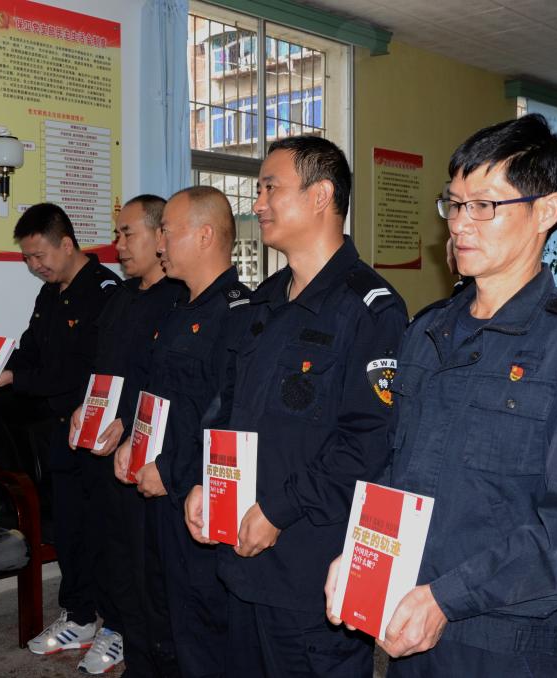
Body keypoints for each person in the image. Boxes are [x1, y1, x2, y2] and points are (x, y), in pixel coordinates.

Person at [324, 113, 557, 677]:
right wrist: (361, 556)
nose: (459, 224)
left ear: (545, 211)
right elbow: (397, 468)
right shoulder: (427, 332)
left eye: (484, 206)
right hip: (411, 619)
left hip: (510, 641)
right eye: (454, 204)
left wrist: (449, 598)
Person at [183, 135, 407, 677]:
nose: (257, 203)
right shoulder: (264, 301)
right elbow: (229, 407)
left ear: (320, 195)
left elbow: (368, 443)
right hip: (243, 558)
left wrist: (279, 511)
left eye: (270, 188)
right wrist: (207, 482)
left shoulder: (371, 309)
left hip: (310, 568)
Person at [114, 185, 252, 678]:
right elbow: (159, 395)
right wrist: (132, 441)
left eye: (167, 233)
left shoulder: (240, 315)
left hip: (194, 493)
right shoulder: (179, 310)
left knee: (200, 620)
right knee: (157, 604)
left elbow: (226, 418)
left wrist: (172, 470)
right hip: (155, 486)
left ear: (205, 235)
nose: (160, 245)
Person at [66, 195, 186, 676]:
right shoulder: (121, 296)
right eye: (117, 234)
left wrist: (132, 419)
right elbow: (103, 368)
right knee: (111, 548)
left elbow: (166, 382)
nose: (117, 245)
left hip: (149, 451)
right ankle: (119, 630)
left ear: (160, 236)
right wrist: (85, 406)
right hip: (105, 447)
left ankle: (146, 645)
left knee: (144, 562)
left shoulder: (178, 299)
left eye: (127, 233)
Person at [0, 203, 122, 662]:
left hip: (99, 434)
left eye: (39, 255)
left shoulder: (107, 292)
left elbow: (84, 372)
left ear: (67, 244)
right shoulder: (49, 294)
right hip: (60, 433)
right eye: (27, 258)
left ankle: (118, 626)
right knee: (70, 530)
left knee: (105, 534)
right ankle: (80, 617)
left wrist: (16, 378)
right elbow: (31, 351)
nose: (35, 265)